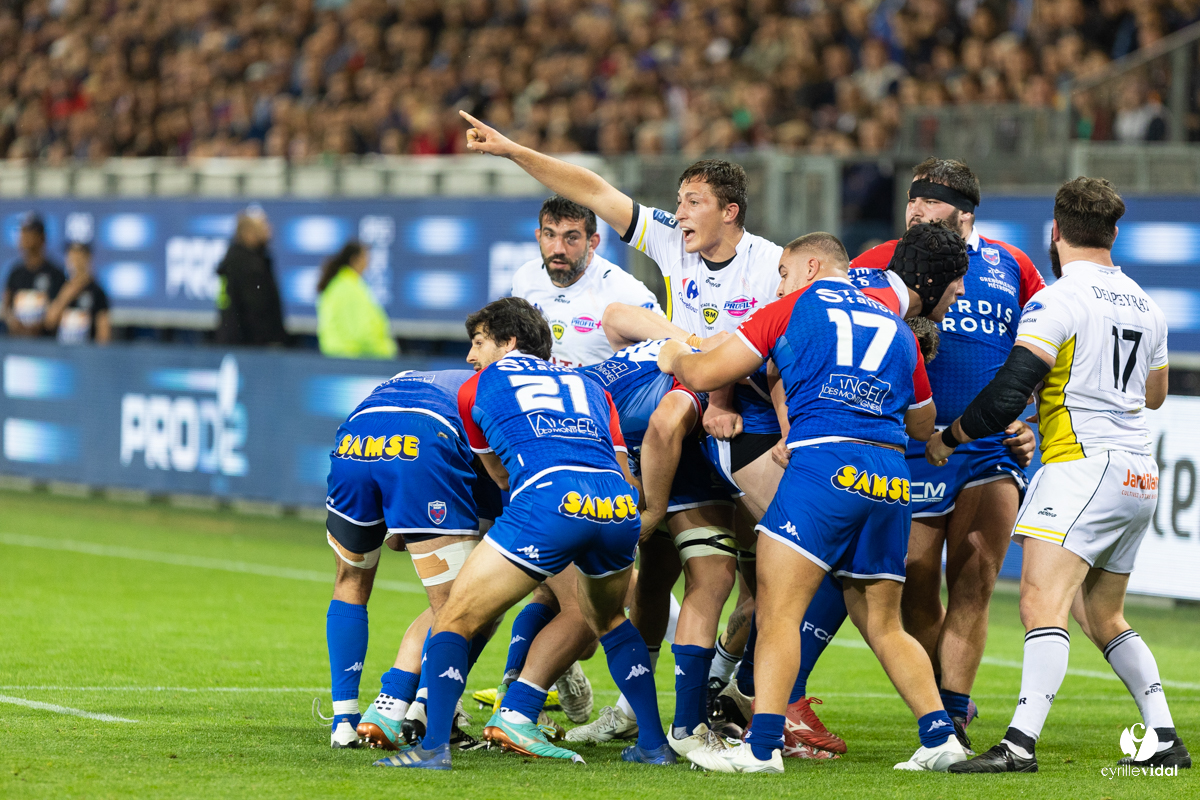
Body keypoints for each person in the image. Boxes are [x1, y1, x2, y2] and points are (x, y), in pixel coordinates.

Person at [658, 233, 969, 774]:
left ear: (811, 266)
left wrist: (676, 353)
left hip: (825, 465)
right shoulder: (897, 327)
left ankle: (762, 749)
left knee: (779, 612)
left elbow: (706, 374)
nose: (778, 282)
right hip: (891, 480)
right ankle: (941, 736)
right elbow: (923, 423)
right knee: (885, 624)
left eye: (783, 271)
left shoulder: (790, 307)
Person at [934, 177, 1190, 774]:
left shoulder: (1056, 300)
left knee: (1039, 603)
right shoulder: (1147, 306)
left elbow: (1007, 396)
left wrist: (949, 438)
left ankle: (1019, 744)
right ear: (1115, 234)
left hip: (1083, 468)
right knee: (1103, 616)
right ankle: (1163, 738)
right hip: (1138, 475)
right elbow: (1155, 395)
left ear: (1055, 232)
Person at [375, 297, 673, 770]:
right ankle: (655, 746)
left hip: (549, 498)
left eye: (478, 343)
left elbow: (501, 479)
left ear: (509, 342)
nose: (472, 356)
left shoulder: (476, 388)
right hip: (616, 505)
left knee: (454, 616)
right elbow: (627, 476)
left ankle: (433, 747)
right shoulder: (589, 383)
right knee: (611, 621)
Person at [850, 158, 1044, 746]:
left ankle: (952, 714)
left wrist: (1032, 419)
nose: (914, 211)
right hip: (909, 444)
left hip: (988, 446)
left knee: (976, 573)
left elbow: (1045, 346)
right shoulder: (876, 260)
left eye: (927, 203)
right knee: (912, 578)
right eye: (911, 201)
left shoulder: (1015, 265)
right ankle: (936, 690)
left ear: (963, 213)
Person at [321, 368, 494, 749]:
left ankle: (343, 722)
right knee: (472, 599)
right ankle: (418, 709)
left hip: (357, 437)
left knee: (350, 580)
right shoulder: (504, 386)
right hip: (425, 439)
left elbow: (400, 538)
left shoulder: (416, 376)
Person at [512, 195, 661, 368]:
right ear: (539, 236)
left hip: (602, 394)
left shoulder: (627, 292)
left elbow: (670, 349)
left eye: (571, 238)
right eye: (550, 235)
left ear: (593, 242)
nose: (558, 249)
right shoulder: (524, 278)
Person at [214, 208, 288, 347]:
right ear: (248, 233)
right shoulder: (248, 266)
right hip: (250, 348)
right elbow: (255, 313)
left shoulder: (247, 261)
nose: (269, 229)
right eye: (263, 225)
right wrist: (271, 341)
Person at [316, 241, 397, 360]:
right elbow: (363, 330)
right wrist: (386, 352)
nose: (368, 262)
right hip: (353, 359)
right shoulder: (351, 288)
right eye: (365, 257)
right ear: (355, 260)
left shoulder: (337, 284)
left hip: (335, 356)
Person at [2, 213, 66, 338]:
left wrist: (39, 325)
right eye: (22, 232)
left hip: (46, 344)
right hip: (17, 342)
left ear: (41, 237)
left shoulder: (55, 274)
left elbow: (58, 309)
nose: (23, 237)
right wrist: (13, 322)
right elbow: (6, 306)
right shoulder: (16, 272)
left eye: (29, 232)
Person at [45, 241, 111, 344]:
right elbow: (50, 322)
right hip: (61, 351)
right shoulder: (60, 286)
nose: (75, 259)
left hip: (86, 352)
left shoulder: (97, 292)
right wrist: (66, 296)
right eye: (71, 254)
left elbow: (103, 333)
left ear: (88, 257)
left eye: (79, 254)